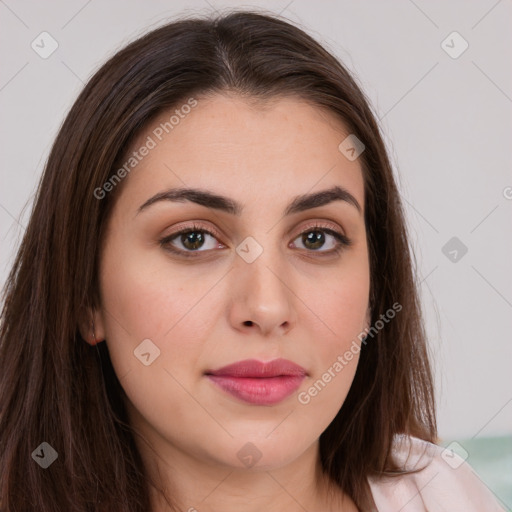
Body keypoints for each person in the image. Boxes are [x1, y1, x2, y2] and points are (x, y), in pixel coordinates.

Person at [0, 9, 506, 512]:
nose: (266, 307)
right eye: (194, 239)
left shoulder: (444, 494)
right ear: (85, 294)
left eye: (315, 239)